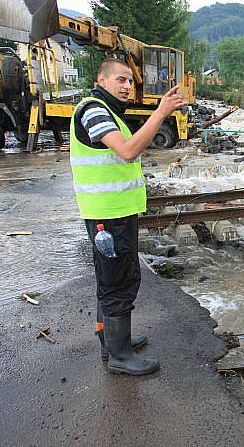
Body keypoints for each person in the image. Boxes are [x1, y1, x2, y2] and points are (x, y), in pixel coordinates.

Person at [69, 58, 185, 375]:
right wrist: (161, 112)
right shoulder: (93, 110)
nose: (127, 86)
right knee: (119, 281)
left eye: (130, 82)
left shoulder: (107, 112)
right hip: (108, 215)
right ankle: (119, 355)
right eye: (120, 80)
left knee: (110, 278)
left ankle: (111, 341)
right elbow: (128, 150)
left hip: (114, 213)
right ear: (101, 79)